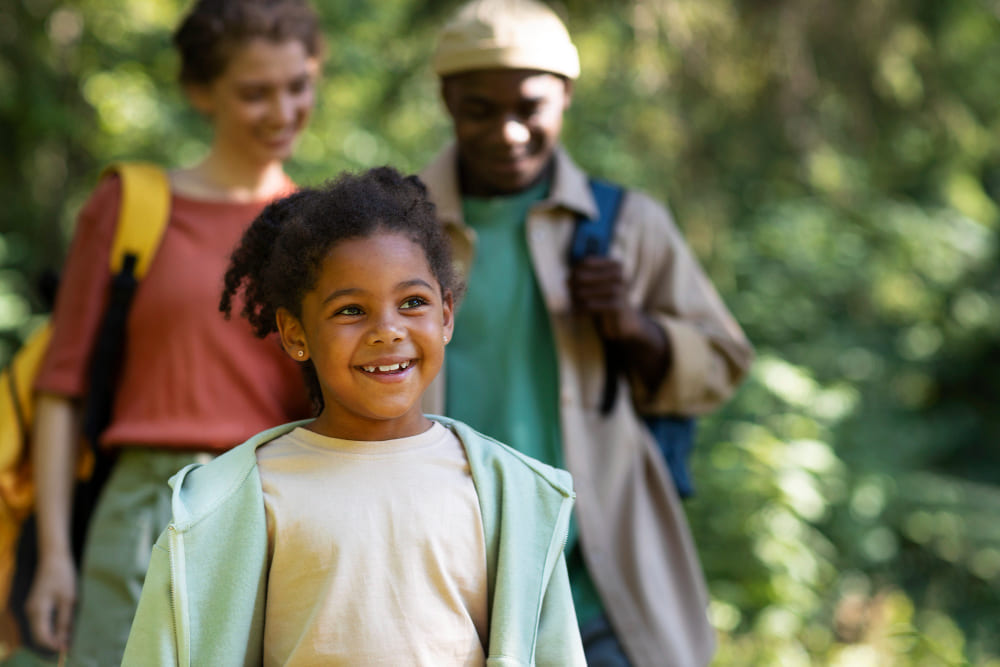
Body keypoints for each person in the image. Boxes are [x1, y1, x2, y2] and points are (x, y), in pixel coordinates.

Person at [120, 166, 585, 666]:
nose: (388, 331)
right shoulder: (232, 498)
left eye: (413, 302)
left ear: (446, 315)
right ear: (296, 334)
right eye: (350, 311)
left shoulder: (509, 493)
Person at [420, 1, 756, 665]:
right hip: (437, 573)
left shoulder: (626, 224)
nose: (508, 131)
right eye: (479, 109)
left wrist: (634, 329)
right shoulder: (396, 228)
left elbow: (722, 362)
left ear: (565, 96)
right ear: (447, 101)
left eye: (529, 107)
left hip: (596, 580)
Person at [23, 1, 322, 664]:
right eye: (254, 92)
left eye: (297, 85)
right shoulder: (129, 205)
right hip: (138, 517)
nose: (281, 111)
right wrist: (53, 555)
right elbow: (60, 386)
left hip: (274, 516)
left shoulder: (323, 232)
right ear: (200, 91)